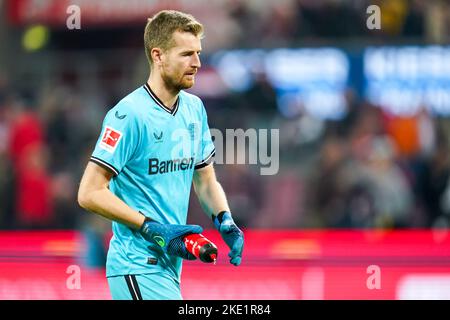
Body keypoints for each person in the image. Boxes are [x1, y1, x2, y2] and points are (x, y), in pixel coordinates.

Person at [77, 10, 244, 300]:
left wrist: (224, 218)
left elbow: (204, 180)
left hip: (169, 267)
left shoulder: (194, 110)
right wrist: (149, 227)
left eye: (198, 53)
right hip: (137, 264)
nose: (197, 63)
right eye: (186, 54)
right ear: (158, 56)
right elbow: (89, 192)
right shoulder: (128, 115)